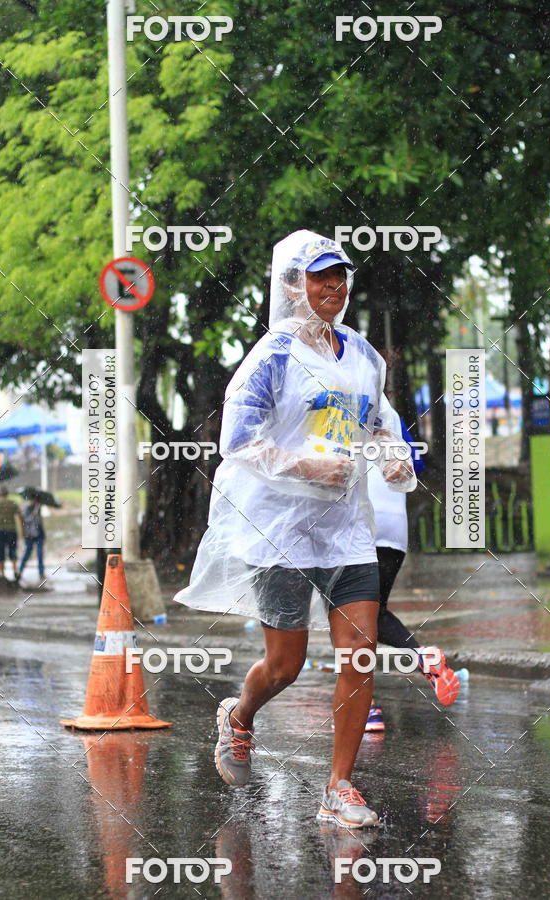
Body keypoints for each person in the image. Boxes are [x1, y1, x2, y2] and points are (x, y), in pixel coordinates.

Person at [175, 229, 417, 828]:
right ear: (292, 287)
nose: (333, 287)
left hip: (344, 528)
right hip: (278, 529)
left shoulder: (362, 355)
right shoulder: (272, 356)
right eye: (320, 277)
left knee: (358, 656)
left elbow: (378, 422)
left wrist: (393, 453)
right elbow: (235, 441)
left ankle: (339, 786)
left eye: (340, 277)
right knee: (284, 665)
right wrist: (301, 463)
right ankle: (239, 715)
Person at [364, 407, 460, 733]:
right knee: (372, 612)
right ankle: (422, 658)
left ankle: (364, 708)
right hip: (393, 528)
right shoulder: (391, 414)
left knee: (347, 616)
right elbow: (414, 467)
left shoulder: (335, 401)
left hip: (355, 525)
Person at [18, 498, 45, 582]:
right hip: (29, 535)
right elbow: (24, 520)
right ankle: (20, 571)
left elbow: (39, 522)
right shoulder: (26, 508)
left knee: (40, 554)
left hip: (38, 534)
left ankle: (41, 573)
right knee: (27, 553)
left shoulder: (38, 508)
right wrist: (32, 515)